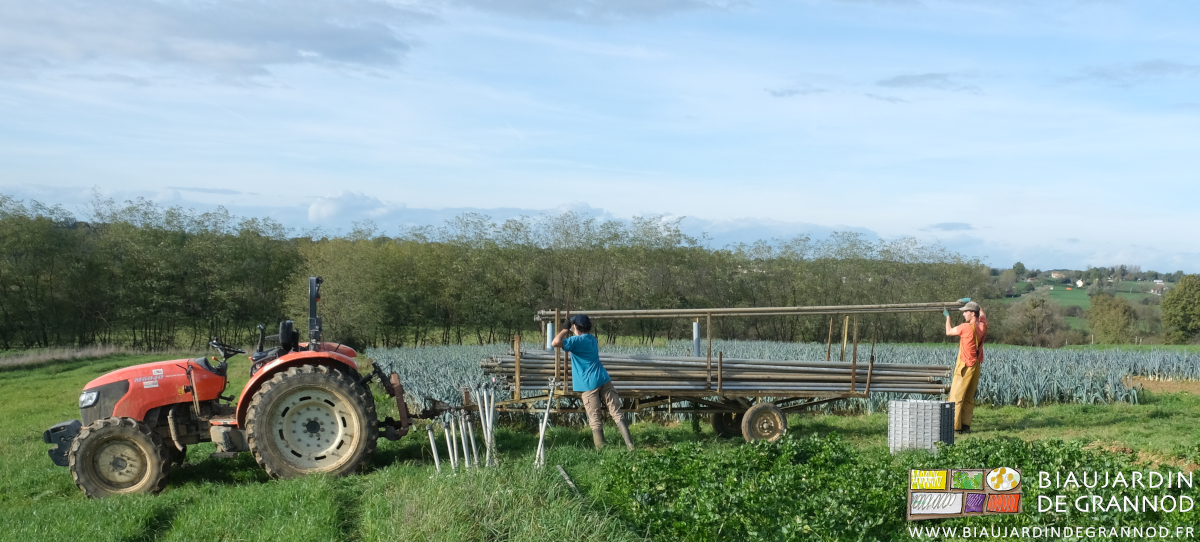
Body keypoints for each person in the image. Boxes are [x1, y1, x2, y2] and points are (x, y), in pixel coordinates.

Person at [552, 314, 635, 450]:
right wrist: (573, 327)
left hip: (588, 384)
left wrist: (565, 329)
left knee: (595, 418)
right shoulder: (592, 339)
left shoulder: (576, 341)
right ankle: (630, 445)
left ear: (576, 326)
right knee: (617, 412)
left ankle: (601, 450)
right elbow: (580, 336)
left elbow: (555, 343)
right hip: (603, 379)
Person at [945, 300, 987, 434]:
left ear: (972, 314)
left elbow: (949, 332)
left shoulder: (965, 327)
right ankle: (966, 425)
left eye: (966, 312)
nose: (963, 314)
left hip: (965, 365)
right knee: (969, 397)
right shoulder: (983, 325)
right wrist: (973, 302)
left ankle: (955, 427)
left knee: (956, 397)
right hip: (976, 365)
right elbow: (983, 313)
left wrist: (947, 317)